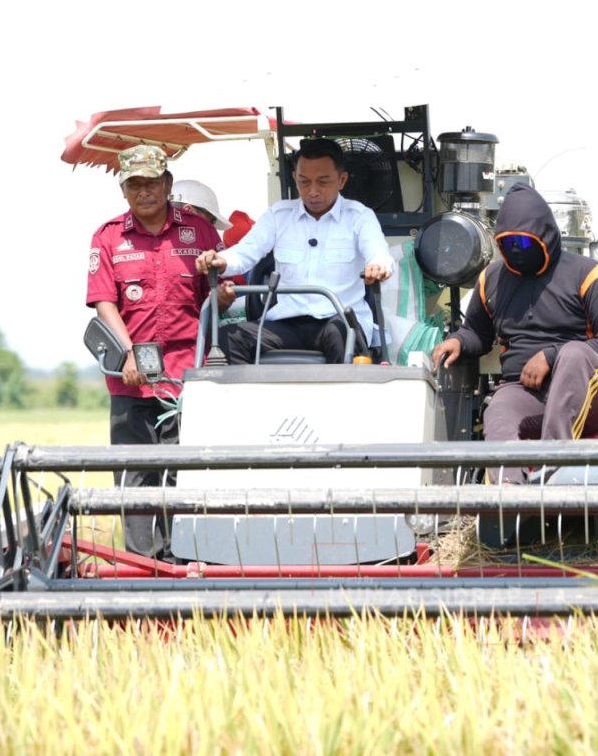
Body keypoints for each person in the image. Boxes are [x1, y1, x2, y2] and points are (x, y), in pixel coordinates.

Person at [431, 182, 598, 483]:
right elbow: (477, 332)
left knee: (574, 353)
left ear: (546, 237)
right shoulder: (492, 278)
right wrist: (458, 340)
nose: (516, 252)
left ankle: (555, 474)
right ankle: (510, 499)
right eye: (508, 244)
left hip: (590, 390)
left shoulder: (589, 274)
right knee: (497, 411)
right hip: (526, 390)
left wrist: (552, 355)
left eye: (523, 243)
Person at [85, 144, 228, 560]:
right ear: (123, 190)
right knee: (134, 477)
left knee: (180, 474)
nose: (143, 192)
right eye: (134, 185)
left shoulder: (198, 233)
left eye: (151, 183)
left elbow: (216, 297)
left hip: (186, 378)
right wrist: (129, 354)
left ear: (167, 184)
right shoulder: (108, 236)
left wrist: (225, 294)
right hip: (129, 380)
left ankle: (180, 561)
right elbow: (103, 301)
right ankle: (140, 567)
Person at [195, 138, 393, 363]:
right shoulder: (279, 215)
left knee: (341, 335)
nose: (313, 191)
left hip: (338, 321)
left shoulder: (359, 217)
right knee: (227, 338)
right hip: (287, 323)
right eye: (304, 182)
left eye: (323, 182)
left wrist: (378, 266)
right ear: (294, 179)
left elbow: (379, 253)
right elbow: (245, 251)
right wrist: (219, 260)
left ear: (342, 180)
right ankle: (251, 398)